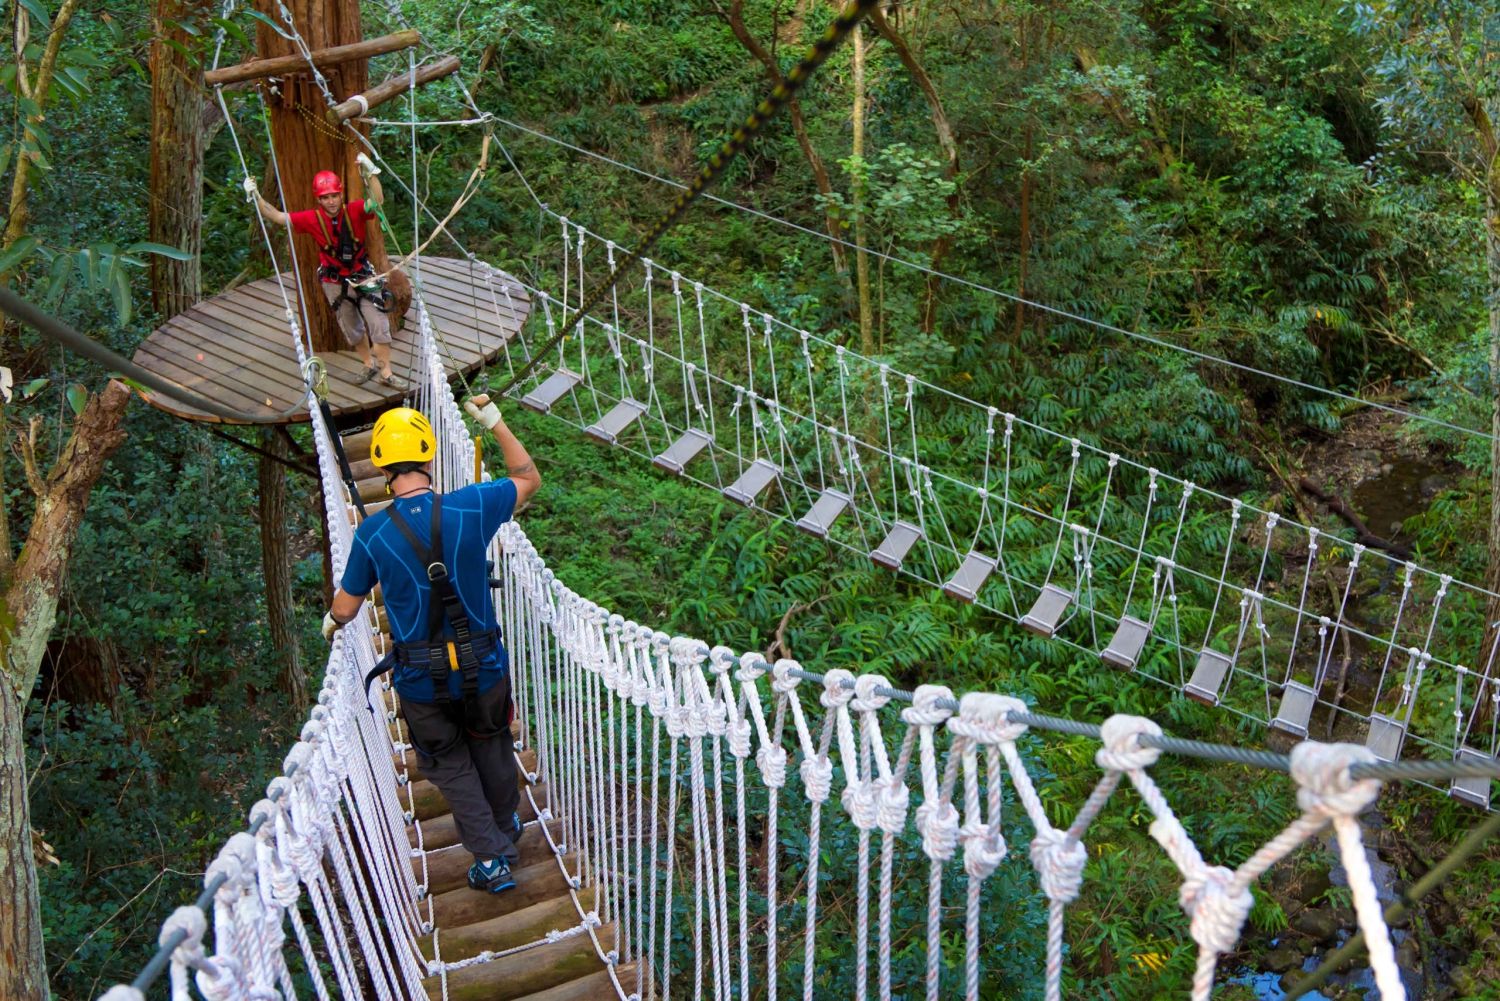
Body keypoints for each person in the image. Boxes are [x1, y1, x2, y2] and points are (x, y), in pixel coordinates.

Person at [321, 396, 541, 892]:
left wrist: (331, 625)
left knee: (449, 763)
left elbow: (346, 608)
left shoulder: (372, 536)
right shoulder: (472, 505)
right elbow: (528, 478)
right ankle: (504, 829)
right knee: (492, 745)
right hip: (483, 669)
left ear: (380, 464)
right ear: (429, 456)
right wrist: (496, 423)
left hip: (420, 683)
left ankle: (490, 859)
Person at [244, 153, 405, 389]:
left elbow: (377, 200)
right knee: (352, 327)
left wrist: (372, 173)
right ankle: (368, 364)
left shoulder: (356, 209)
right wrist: (256, 196)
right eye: (325, 197)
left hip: (362, 276)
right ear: (318, 200)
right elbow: (278, 216)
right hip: (334, 282)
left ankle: (387, 372)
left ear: (341, 195)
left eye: (334, 196)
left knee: (378, 324)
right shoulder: (311, 219)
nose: (331, 201)